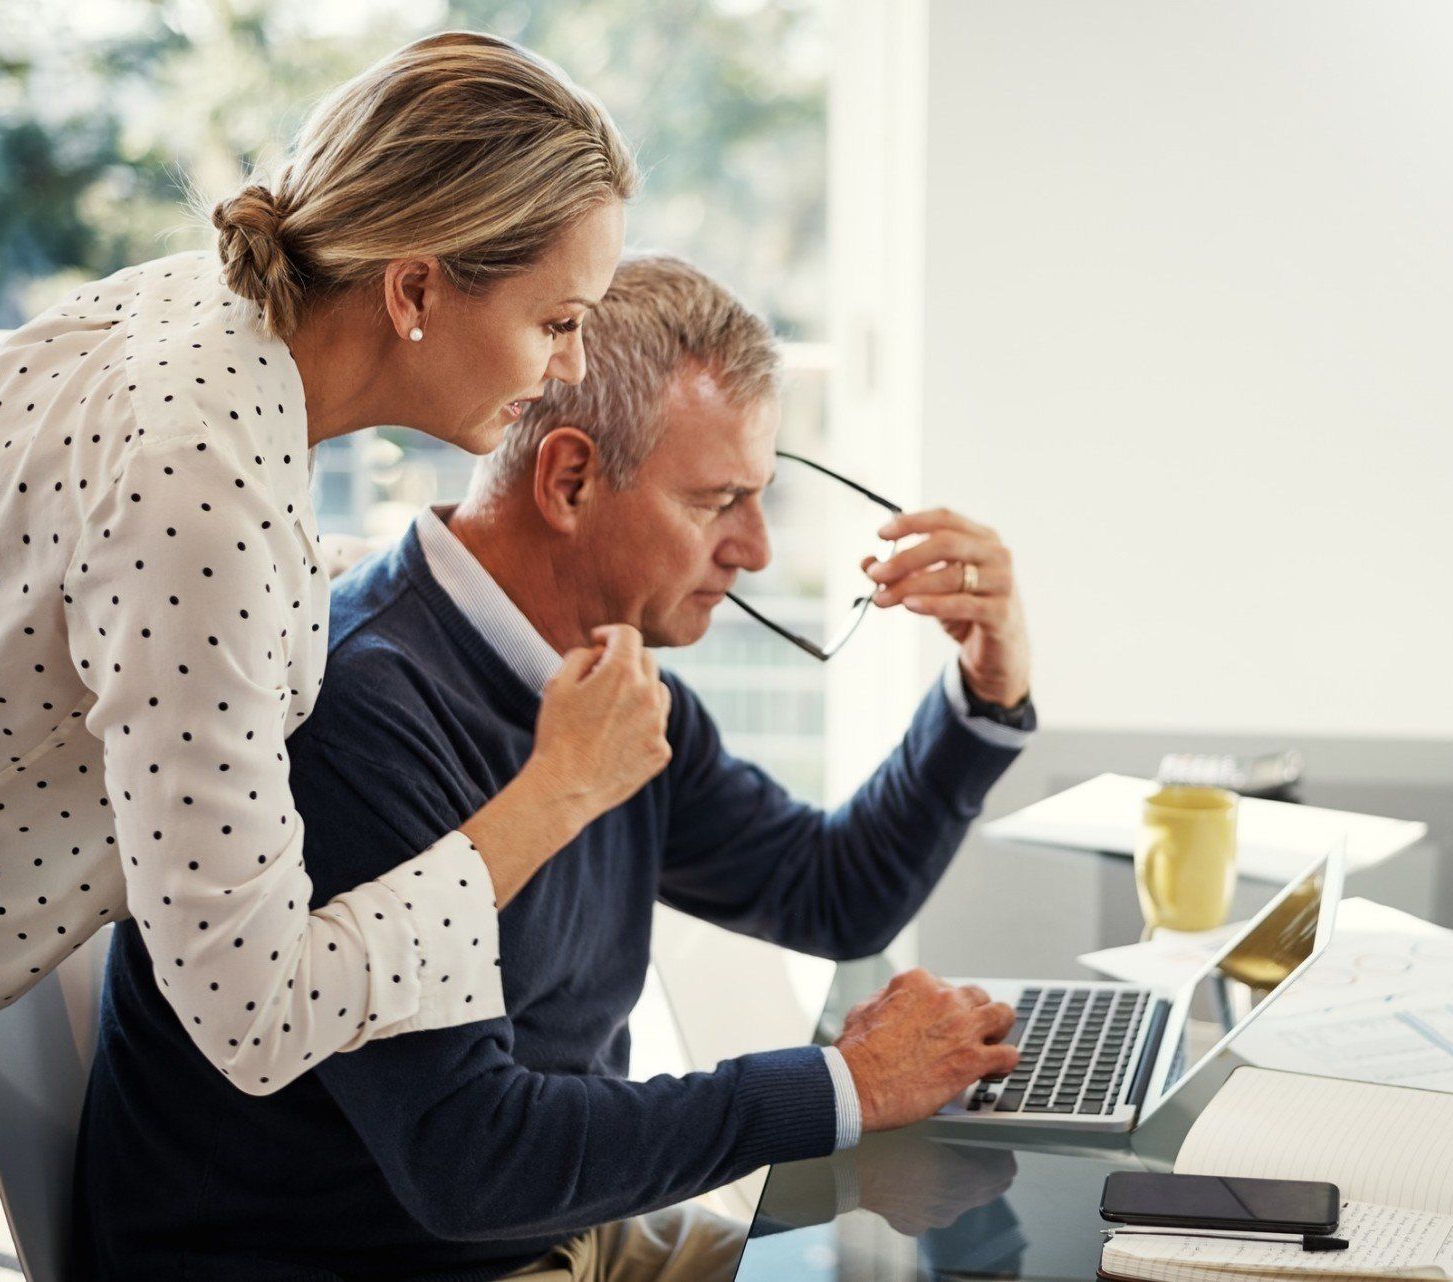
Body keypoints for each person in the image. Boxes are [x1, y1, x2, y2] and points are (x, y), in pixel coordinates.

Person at [75, 254, 1036, 1281]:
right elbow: (474, 1161)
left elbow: (832, 894)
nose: (755, 549)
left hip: (543, 1233)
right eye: (718, 500)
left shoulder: (607, 682)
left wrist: (988, 688)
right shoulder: (357, 712)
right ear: (569, 480)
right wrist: (840, 1086)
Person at [0, 31, 652, 1092]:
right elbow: (260, 1014)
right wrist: (560, 792)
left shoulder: (190, 314)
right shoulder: (198, 487)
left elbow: (104, 588)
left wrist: (333, 575)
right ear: (413, 293)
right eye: (557, 320)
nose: (574, 366)